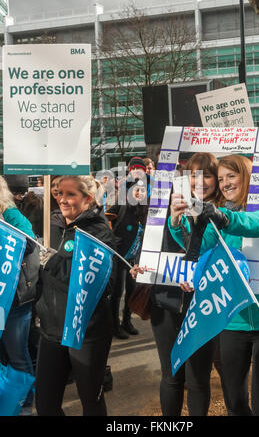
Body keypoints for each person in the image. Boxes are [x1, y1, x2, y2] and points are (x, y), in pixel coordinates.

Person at [169, 154, 259, 416]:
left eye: (232, 176)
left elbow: (258, 224)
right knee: (235, 404)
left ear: (247, 176)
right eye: (222, 178)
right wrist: (176, 221)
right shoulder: (221, 218)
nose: (225, 183)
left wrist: (224, 218)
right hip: (231, 320)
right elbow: (198, 249)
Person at [34, 175, 116, 416]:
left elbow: (98, 282)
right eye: (59, 193)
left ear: (88, 198)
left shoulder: (98, 230)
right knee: (46, 404)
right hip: (52, 329)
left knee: (91, 401)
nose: (62, 199)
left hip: (87, 331)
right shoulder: (52, 224)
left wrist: (52, 263)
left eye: (70, 194)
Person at [149, 152, 222, 416]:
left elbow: (215, 252)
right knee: (171, 375)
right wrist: (174, 220)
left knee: (198, 378)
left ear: (217, 178)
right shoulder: (164, 208)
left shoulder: (224, 213)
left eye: (207, 174)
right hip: (166, 302)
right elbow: (150, 252)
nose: (200, 181)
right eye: (194, 174)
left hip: (204, 305)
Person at [0, 176, 37, 416]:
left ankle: (26, 404)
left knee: (17, 354)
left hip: (14, 300)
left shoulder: (10, 215)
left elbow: (31, 244)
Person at [105, 178, 149, 340]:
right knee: (117, 293)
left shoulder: (145, 209)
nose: (139, 193)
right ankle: (114, 325)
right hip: (118, 255)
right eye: (136, 190)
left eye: (142, 190)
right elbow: (105, 218)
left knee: (132, 291)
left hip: (135, 258)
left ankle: (127, 322)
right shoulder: (122, 205)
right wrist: (113, 237)